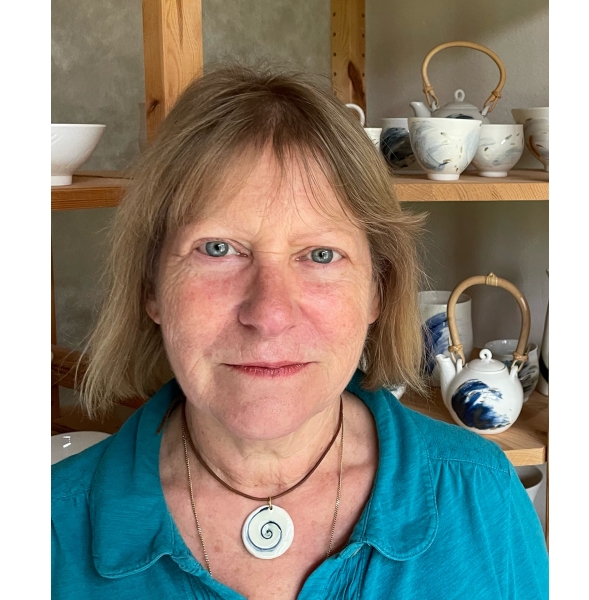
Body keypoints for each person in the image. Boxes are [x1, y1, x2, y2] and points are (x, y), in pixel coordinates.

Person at [52, 64, 549, 599]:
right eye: (218, 248)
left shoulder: (481, 496)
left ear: (378, 290)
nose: (269, 314)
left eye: (320, 255)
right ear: (151, 286)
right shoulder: (47, 530)